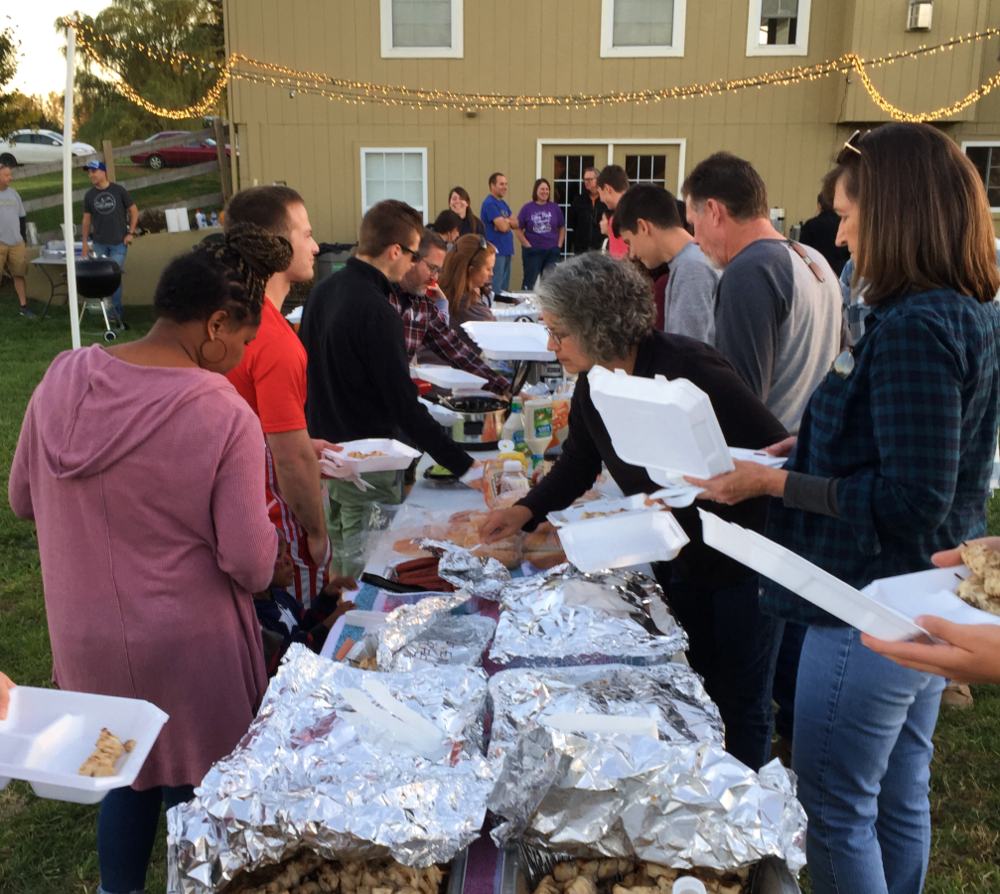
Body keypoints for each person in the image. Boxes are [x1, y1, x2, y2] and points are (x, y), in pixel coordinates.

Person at [687, 124, 1000, 894]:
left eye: (851, 214)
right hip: (921, 598)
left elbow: (912, 496)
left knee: (833, 806)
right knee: (897, 788)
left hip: (865, 598)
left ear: (897, 215)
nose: (842, 231)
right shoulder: (961, 310)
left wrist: (771, 485)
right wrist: (805, 446)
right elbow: (913, 447)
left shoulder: (915, 328)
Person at [8, 225, 291, 894]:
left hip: (85, 637)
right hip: (190, 648)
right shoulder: (221, 411)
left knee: (122, 774)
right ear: (216, 325)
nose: (236, 360)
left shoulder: (62, 375)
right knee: (196, 786)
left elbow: (23, 498)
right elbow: (249, 562)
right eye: (242, 344)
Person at [478, 252, 788, 772]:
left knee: (742, 698)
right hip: (678, 556)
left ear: (598, 327)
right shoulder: (593, 382)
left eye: (559, 333)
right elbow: (579, 461)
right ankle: (703, 782)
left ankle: (749, 806)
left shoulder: (691, 369)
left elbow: (775, 454)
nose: (551, 347)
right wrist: (527, 510)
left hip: (744, 558)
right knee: (694, 684)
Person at [300, 200, 483, 553]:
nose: (416, 264)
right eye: (414, 255)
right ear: (395, 251)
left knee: (339, 568)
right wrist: (467, 467)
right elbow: (404, 407)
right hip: (368, 468)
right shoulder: (378, 311)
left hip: (325, 460)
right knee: (367, 570)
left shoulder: (322, 292)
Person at [224, 186, 332, 606]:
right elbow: (289, 457)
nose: (316, 245)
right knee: (300, 634)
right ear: (278, 245)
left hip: (235, 515)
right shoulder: (273, 339)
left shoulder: (232, 319)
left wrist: (304, 444)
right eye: (306, 234)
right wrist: (318, 533)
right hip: (277, 525)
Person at [682, 151, 842, 434]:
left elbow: (740, 400)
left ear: (714, 211)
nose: (694, 239)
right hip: (809, 450)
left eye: (694, 223)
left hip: (766, 462)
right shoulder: (815, 259)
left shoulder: (750, 271)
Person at [391, 229, 509, 394]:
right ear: (410, 259)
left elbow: (455, 349)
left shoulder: (422, 302)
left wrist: (505, 389)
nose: (435, 278)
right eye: (432, 268)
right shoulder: (382, 299)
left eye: (438, 270)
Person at [614, 184, 720, 344]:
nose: (633, 253)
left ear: (643, 227)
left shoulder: (691, 268)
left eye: (629, 242)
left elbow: (687, 350)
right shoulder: (691, 260)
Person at [255, 529, 356, 675]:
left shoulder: (280, 596)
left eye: (287, 552)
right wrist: (331, 621)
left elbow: (306, 623)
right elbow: (288, 660)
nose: (289, 560)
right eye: (278, 556)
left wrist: (326, 597)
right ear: (253, 568)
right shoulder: (256, 621)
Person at [80, 160, 139, 328]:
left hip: (119, 243)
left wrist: (131, 233)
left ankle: (116, 311)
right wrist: (85, 242)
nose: (91, 175)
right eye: (89, 172)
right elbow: (86, 219)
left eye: (94, 172)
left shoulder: (118, 190)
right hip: (99, 243)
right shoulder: (89, 195)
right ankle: (109, 310)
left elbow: (134, 211)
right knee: (103, 277)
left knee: (113, 275)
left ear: (103, 172)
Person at [440, 233, 498, 347]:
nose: (492, 274)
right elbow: (497, 335)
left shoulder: (442, 291)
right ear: (470, 270)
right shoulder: (467, 304)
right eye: (488, 269)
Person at [516, 178, 565, 290]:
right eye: (542, 189)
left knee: (550, 284)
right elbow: (517, 229)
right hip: (533, 251)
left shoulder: (555, 208)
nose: (545, 192)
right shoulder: (527, 208)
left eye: (547, 189)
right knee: (529, 282)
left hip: (552, 251)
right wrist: (527, 245)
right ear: (536, 191)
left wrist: (559, 245)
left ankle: (547, 306)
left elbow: (562, 227)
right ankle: (526, 304)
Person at [798, 174, 851, 277]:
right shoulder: (842, 224)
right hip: (839, 273)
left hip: (816, 274)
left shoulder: (811, 225)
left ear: (819, 206)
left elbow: (802, 253)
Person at [0, 162, 34, 317]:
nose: (10, 178)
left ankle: (24, 307)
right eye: (7, 175)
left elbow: (22, 217)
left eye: (10, 174)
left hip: (16, 243)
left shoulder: (14, 194)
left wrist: (23, 238)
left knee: (19, 274)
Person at [481, 173, 520, 293]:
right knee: (496, 290)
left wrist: (506, 221)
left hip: (507, 251)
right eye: (501, 184)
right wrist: (506, 223)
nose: (505, 187)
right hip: (496, 252)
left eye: (506, 184)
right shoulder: (489, 203)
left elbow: (517, 223)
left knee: (504, 290)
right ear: (492, 186)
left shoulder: (502, 204)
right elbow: (503, 227)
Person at [567, 166, 606, 254]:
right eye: (585, 179)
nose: (586, 182)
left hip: (601, 248)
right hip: (581, 248)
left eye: (590, 179)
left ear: (598, 180)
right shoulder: (579, 200)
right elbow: (572, 222)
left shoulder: (605, 200)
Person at [596, 165, 630, 259]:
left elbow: (618, 260)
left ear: (607, 188)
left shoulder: (617, 219)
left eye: (600, 193)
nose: (601, 200)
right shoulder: (640, 209)